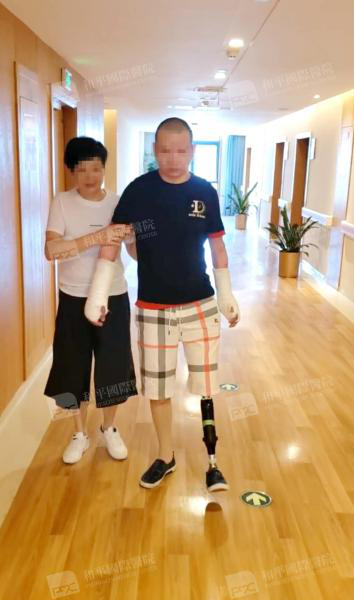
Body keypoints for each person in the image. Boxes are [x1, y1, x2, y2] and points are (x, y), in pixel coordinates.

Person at [84, 117, 240, 492]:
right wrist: (98, 293)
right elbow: (113, 240)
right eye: (165, 150)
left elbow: (217, 246)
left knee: (206, 386)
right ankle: (165, 456)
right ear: (155, 150)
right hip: (153, 308)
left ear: (192, 151)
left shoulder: (205, 192)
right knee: (157, 389)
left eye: (181, 150)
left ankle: (212, 462)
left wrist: (226, 293)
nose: (173, 158)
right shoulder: (138, 191)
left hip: (200, 303)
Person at [44, 136, 137, 464]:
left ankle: (109, 428)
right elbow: (51, 250)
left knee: (114, 365)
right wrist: (97, 237)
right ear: (71, 171)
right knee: (72, 367)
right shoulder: (62, 203)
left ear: (104, 169)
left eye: (96, 168)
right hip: (73, 298)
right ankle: (79, 433)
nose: (89, 176)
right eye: (82, 169)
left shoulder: (118, 203)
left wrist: (134, 239)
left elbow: (134, 253)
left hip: (113, 296)